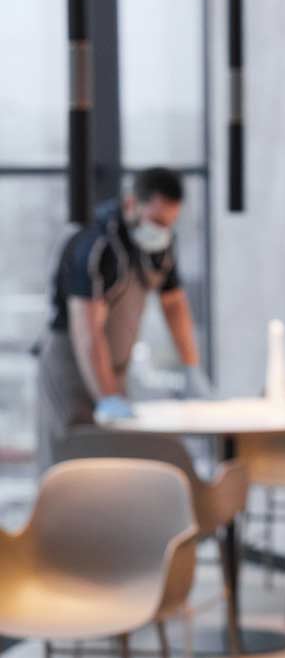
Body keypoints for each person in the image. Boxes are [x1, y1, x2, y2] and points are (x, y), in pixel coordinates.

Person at [36, 167, 210, 472]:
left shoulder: (160, 246)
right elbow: (87, 331)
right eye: (156, 221)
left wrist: (191, 366)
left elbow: (174, 305)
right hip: (72, 366)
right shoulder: (95, 244)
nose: (162, 231)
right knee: (74, 462)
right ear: (131, 204)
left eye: (169, 223)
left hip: (114, 364)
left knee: (117, 468)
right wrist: (108, 396)